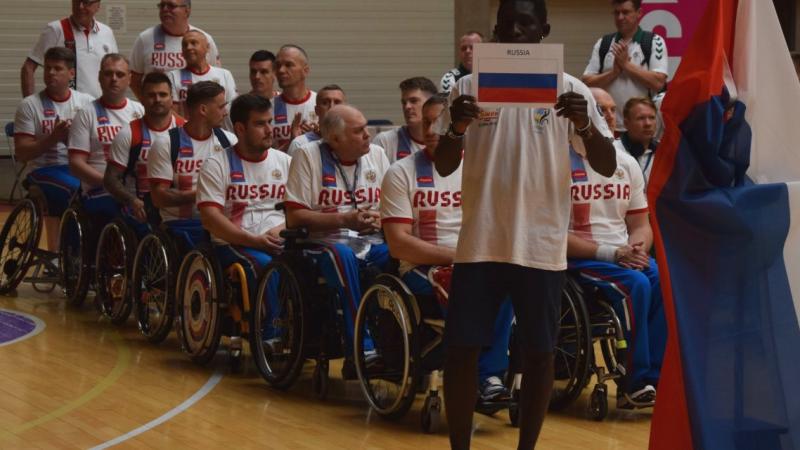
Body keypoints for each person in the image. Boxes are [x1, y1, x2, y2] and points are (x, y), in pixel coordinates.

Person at [433, 0, 616, 448]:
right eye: (505, 24)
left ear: (543, 30)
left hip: (540, 243)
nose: (513, 31)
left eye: (524, 23)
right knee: (461, 351)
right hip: (481, 242)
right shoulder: (467, 88)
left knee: (538, 353)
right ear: (494, 31)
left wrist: (585, 126)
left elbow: (608, 164)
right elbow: (441, 164)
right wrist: (456, 128)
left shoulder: (572, 89)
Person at [380, 94, 514, 408]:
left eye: (438, 121)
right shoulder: (401, 172)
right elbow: (398, 243)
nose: (429, 128)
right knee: (464, 285)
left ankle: (490, 377)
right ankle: (479, 377)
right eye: (426, 121)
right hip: (420, 269)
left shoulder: (482, 169)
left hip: (475, 262)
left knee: (509, 282)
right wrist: (456, 257)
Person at [284, 105, 390, 377]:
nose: (368, 135)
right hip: (321, 242)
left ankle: (396, 345)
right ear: (335, 139)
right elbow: (294, 216)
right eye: (359, 131)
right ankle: (360, 346)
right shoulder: (307, 155)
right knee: (341, 255)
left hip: (369, 239)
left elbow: (391, 208)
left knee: (399, 254)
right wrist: (345, 220)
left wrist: (377, 218)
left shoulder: (377, 155)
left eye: (366, 128)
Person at [566, 129, 665, 409]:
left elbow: (641, 225)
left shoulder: (626, 163)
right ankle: (633, 380)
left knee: (662, 279)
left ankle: (656, 378)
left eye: (611, 109)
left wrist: (637, 250)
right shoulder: (557, 162)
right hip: (579, 258)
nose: (608, 116)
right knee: (636, 284)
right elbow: (549, 234)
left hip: (622, 256)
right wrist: (613, 253)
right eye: (599, 109)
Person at [196, 94, 290, 303]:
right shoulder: (216, 164)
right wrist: (254, 240)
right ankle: (269, 332)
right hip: (235, 244)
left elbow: (299, 209)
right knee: (266, 266)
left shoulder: (285, 162)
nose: (269, 130)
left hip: (280, 239)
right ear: (240, 129)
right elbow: (210, 219)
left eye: (270, 122)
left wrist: (280, 230)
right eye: (259, 124)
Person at [14, 47, 94, 251]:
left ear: (71, 74)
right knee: (77, 191)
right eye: (47, 68)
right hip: (43, 169)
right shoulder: (29, 105)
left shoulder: (86, 102)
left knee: (106, 191)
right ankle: (72, 255)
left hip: (77, 166)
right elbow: (22, 153)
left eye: (57, 68)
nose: (50, 73)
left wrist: (71, 140)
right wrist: (53, 138)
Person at [147, 81, 236, 232]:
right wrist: (205, 194)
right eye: (221, 107)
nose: (226, 112)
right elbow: (158, 198)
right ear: (203, 109)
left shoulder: (230, 141)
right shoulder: (166, 143)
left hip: (223, 223)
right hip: (181, 225)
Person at [68, 54, 143, 223]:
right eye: (108, 74)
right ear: (100, 77)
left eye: (120, 74)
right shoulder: (86, 113)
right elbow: (76, 164)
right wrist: (112, 185)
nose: (114, 79)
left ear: (130, 78)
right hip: (99, 190)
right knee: (128, 214)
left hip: (136, 188)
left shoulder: (139, 111)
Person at [104, 72, 184, 224]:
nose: (157, 100)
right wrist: (132, 200)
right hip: (141, 207)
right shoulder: (129, 133)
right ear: (142, 98)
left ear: (171, 98)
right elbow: (110, 179)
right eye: (151, 95)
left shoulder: (185, 130)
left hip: (177, 205)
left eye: (163, 94)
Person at [581, 0, 668, 131]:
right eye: (616, 13)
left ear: (639, 13)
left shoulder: (653, 41)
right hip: (608, 126)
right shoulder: (603, 43)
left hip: (642, 128)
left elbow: (658, 83)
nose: (620, 17)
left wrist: (626, 65)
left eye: (625, 12)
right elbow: (587, 83)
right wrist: (614, 73)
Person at [21, 0, 118, 98]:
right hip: (66, 108)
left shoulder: (107, 32)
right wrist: (29, 104)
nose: (80, 7)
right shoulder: (56, 29)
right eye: (76, 1)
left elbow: (115, 71)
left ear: (98, 6)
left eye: (86, 2)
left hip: (99, 108)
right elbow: (28, 68)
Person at [129, 0, 220, 100]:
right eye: (162, 5)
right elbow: (134, 80)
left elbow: (215, 78)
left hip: (195, 110)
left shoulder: (204, 39)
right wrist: (147, 104)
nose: (165, 9)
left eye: (171, 6)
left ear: (187, 11)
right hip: (157, 110)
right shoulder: (145, 39)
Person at [165, 31, 236, 119]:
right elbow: (172, 112)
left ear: (207, 47)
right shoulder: (172, 76)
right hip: (186, 131)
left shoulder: (225, 75)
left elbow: (232, 109)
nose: (188, 47)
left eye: (193, 43)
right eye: (185, 45)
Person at [373, 77, 437, 164]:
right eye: (404, 102)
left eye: (414, 101)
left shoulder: (448, 143)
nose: (407, 107)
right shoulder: (384, 141)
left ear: (431, 104)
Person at [272, 45, 317, 151]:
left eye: (288, 65)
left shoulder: (321, 103)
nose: (281, 70)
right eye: (278, 65)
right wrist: (293, 142)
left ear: (305, 71)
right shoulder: (266, 108)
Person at [287, 84, 346, 157]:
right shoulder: (299, 144)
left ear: (345, 109)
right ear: (316, 110)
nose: (331, 107)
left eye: (337, 102)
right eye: (325, 103)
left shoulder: (354, 141)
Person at [619, 97, 658, 186]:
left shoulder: (664, 151)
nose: (648, 123)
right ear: (626, 123)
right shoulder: (615, 150)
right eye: (641, 118)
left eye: (652, 118)